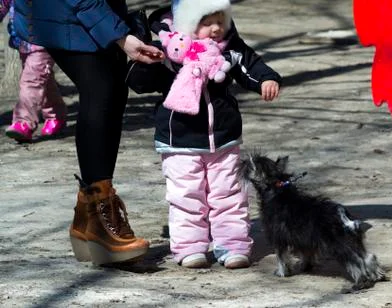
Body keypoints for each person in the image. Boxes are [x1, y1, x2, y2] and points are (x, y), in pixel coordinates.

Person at [12, 0, 165, 265]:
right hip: (59, 12)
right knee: (100, 88)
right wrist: (119, 36)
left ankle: (87, 219)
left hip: (94, 8)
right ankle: (99, 217)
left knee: (115, 90)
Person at [144, 0, 281, 269]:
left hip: (223, 136)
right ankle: (189, 247)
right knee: (186, 195)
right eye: (207, 23)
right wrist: (148, 64)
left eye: (220, 20)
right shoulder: (169, 52)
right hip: (179, 139)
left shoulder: (230, 49)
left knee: (229, 192)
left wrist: (266, 78)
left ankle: (232, 245)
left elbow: (250, 64)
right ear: (188, 24)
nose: (216, 28)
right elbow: (140, 82)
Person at [1, 0, 66, 142]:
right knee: (43, 80)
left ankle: (24, 122)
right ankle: (56, 115)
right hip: (23, 39)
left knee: (32, 81)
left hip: (44, 38)